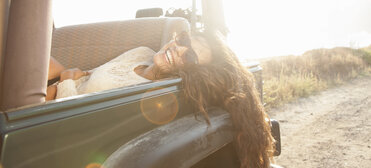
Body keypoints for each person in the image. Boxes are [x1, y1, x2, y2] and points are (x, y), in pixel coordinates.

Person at [47, 31, 274, 168]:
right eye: (184, 39)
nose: (179, 49)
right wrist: (75, 74)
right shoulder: (141, 52)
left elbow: (72, 122)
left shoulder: (148, 95)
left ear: (196, 73)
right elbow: (95, 72)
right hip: (61, 83)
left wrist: (66, 81)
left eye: (191, 56)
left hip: (52, 107)